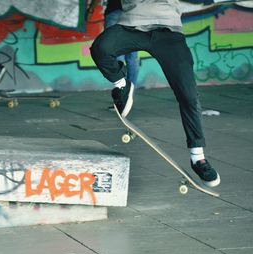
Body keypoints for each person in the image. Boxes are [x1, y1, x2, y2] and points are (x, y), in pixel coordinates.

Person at [90, 0, 221, 187]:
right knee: (101, 48)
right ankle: (122, 85)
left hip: (168, 31)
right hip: (132, 25)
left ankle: (198, 157)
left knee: (188, 95)